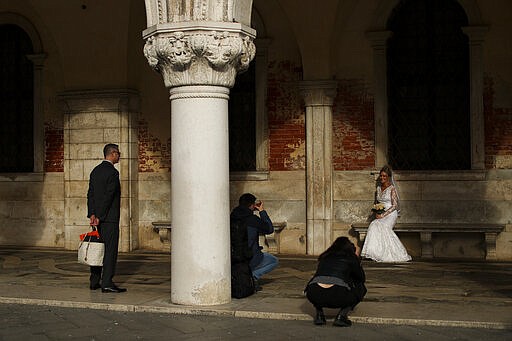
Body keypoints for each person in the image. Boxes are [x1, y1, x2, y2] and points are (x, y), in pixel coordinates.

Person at [87, 143, 126, 293]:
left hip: (96, 218)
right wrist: (100, 216)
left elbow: (90, 194)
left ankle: (94, 281)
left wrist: (92, 214)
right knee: (109, 251)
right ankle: (107, 283)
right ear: (113, 154)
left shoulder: (95, 171)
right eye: (118, 153)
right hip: (108, 219)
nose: (119, 156)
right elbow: (109, 197)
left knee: (97, 248)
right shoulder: (113, 173)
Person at [305, 237, 366, 327]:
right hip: (337, 294)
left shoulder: (324, 257)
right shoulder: (350, 258)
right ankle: (341, 316)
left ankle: (319, 315)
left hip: (313, 292)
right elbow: (361, 278)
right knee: (361, 287)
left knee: (318, 283)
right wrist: (357, 260)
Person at [360, 165, 412, 262]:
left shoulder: (392, 188)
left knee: (381, 226)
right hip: (381, 212)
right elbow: (377, 203)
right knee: (374, 224)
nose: (382, 178)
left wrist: (382, 215)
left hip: (391, 214)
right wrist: (376, 211)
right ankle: (374, 253)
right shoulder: (379, 189)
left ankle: (395, 253)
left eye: (384, 176)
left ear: (388, 177)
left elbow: (395, 205)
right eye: (381, 176)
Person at [230, 193, 278, 290]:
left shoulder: (232, 217)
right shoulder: (252, 219)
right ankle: (252, 276)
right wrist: (261, 211)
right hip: (250, 256)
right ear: (252, 205)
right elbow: (269, 229)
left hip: (233, 256)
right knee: (273, 260)